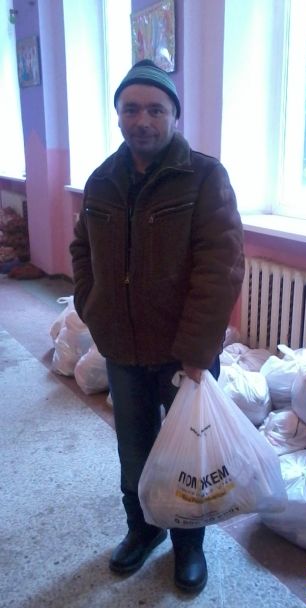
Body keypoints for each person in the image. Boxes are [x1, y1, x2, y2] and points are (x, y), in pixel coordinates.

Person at [70, 59, 244, 593]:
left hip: (183, 352)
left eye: (155, 109)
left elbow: (220, 268)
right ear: (118, 115)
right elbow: (82, 250)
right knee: (134, 449)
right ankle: (143, 529)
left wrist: (196, 351)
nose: (142, 120)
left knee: (190, 454)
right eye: (130, 109)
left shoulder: (204, 177)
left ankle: (189, 544)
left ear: (174, 115)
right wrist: (92, 305)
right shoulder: (102, 180)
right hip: (123, 348)